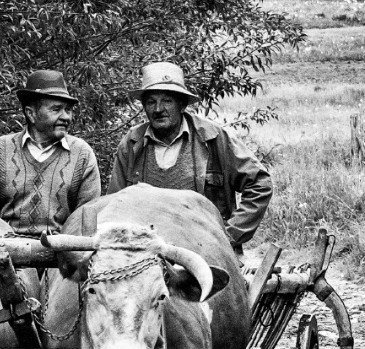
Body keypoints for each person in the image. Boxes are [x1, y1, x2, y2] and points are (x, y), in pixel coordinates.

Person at [108, 62, 272, 251]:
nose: (158, 109)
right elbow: (114, 204)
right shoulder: (132, 143)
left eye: (167, 100)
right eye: (151, 101)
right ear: (144, 106)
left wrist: (228, 236)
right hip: (145, 254)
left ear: (182, 104)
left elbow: (260, 183)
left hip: (208, 252)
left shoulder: (212, 137)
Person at [0, 69, 102, 235]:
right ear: (31, 114)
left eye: (68, 110)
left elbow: (87, 216)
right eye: (56, 109)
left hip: (62, 251)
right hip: (3, 248)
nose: (66, 117)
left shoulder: (82, 153)